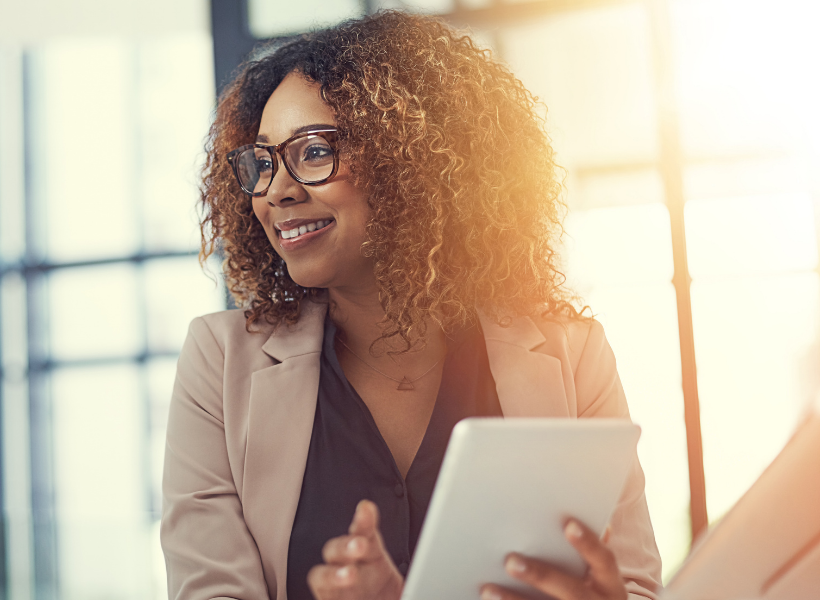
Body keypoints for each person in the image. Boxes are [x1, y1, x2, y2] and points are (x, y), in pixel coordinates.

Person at [161, 10, 661, 600]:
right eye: (261, 162)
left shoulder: (573, 356)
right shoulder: (220, 364)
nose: (277, 190)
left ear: (413, 160)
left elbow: (633, 586)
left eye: (315, 151)